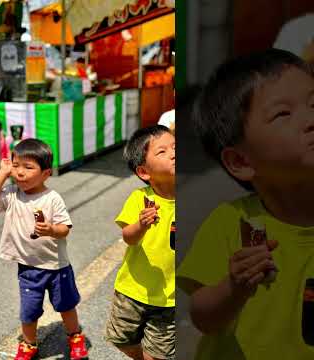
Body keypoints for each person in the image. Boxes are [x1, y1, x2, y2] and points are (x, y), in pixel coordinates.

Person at [177, 49, 314, 359]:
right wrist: (234, 288)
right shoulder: (231, 222)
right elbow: (203, 317)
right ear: (240, 161)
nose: (311, 119)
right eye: (283, 113)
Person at [0, 139, 89, 360]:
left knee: (66, 306)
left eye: (28, 167)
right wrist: (3, 173)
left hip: (57, 266)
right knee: (29, 311)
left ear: (46, 173)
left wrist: (51, 229)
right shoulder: (12, 194)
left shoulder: (52, 198)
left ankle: (75, 336)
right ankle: (29, 343)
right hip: (29, 269)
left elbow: (64, 229)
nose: (20, 172)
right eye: (16, 165)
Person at [105, 125, 176, 360]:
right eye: (162, 152)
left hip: (171, 297)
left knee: (160, 355)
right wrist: (141, 225)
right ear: (144, 172)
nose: (174, 153)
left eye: (175, 147)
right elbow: (128, 237)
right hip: (132, 290)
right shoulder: (140, 198)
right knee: (119, 338)